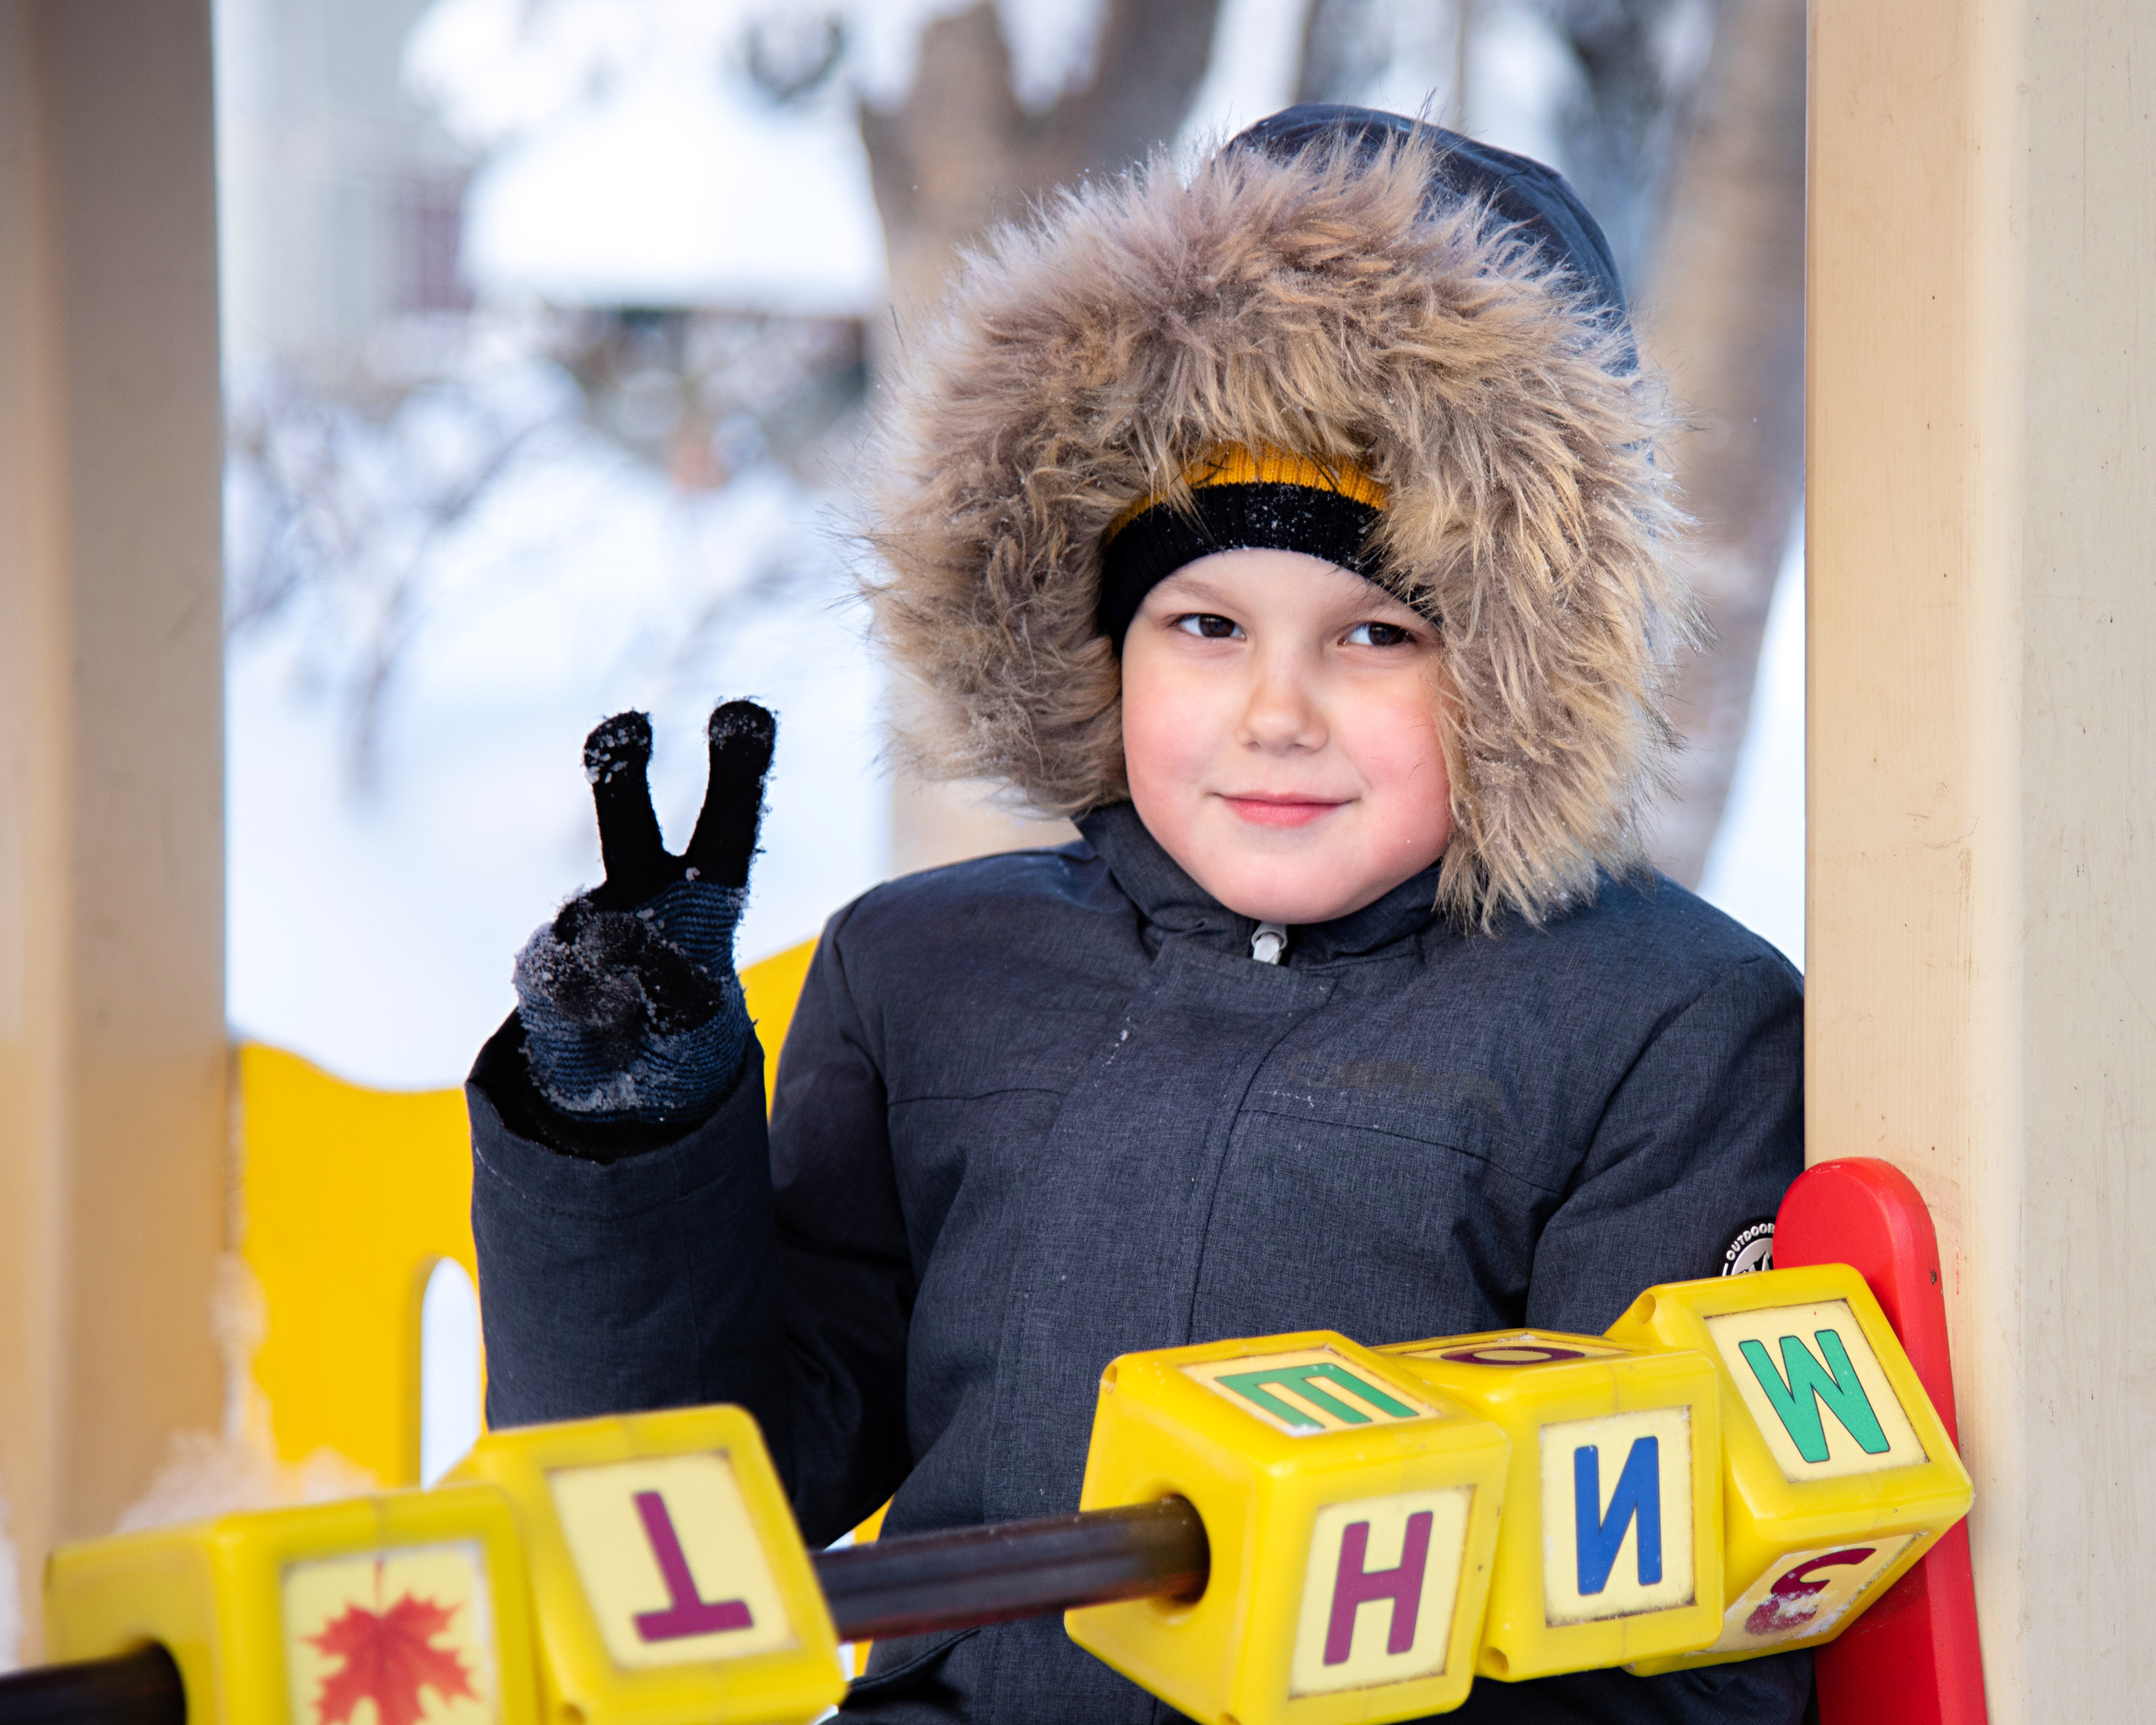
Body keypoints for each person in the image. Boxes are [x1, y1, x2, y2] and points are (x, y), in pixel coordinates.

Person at [469, 105, 1809, 1723]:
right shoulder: (928, 972)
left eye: (1378, 634)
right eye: (1208, 622)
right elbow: (702, 1492)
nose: (1278, 711)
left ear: (1525, 666)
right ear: (1094, 643)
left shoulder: (1660, 1027)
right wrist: (628, 1136)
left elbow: (1672, 1639)